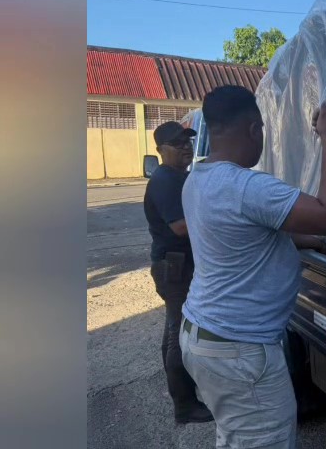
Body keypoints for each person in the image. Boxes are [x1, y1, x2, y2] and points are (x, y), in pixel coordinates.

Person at [179, 85, 326, 449]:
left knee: (236, 436)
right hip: (238, 351)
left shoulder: (197, 179)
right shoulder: (247, 187)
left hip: (201, 336)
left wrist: (309, 241)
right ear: (255, 129)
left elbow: (247, 234)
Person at [143, 121, 213, 424]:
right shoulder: (165, 180)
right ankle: (184, 405)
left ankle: (182, 390)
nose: (186, 147)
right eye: (177, 143)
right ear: (160, 151)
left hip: (175, 264)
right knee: (178, 334)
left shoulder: (178, 176)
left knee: (174, 329)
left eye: (188, 141)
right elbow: (181, 227)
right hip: (175, 266)